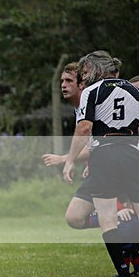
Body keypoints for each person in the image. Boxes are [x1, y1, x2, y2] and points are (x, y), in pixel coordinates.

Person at [62, 51, 139, 277]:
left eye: (85, 72)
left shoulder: (91, 92)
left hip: (105, 154)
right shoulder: (134, 90)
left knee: (108, 221)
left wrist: (70, 160)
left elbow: (84, 128)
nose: (83, 78)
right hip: (131, 153)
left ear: (96, 70)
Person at [42, 62, 95, 230]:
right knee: (74, 218)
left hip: (119, 169)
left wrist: (64, 159)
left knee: (122, 216)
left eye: (69, 81)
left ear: (82, 84)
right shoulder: (79, 109)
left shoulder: (92, 106)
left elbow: (97, 146)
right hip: (102, 169)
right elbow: (92, 145)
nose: (63, 85)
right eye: (62, 81)